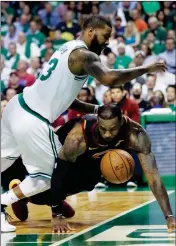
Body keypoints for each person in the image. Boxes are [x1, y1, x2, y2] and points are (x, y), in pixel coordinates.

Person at [1, 15, 166, 232]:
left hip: (17, 106)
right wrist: (146, 69)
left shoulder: (67, 49)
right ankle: (6, 201)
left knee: (3, 162)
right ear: (90, 31)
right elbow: (110, 79)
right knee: (50, 176)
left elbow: (65, 97)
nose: (107, 42)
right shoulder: (84, 55)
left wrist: (96, 109)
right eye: (105, 36)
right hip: (32, 118)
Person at [5, 104, 176, 233]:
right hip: (56, 153)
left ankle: (56, 198)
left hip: (88, 156)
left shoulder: (136, 134)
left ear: (122, 121)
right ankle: (26, 197)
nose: (108, 134)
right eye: (103, 129)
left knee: (90, 181)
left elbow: (153, 177)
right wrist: (56, 215)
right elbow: (59, 173)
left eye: (113, 129)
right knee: (55, 183)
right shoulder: (77, 138)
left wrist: (169, 216)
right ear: (98, 122)